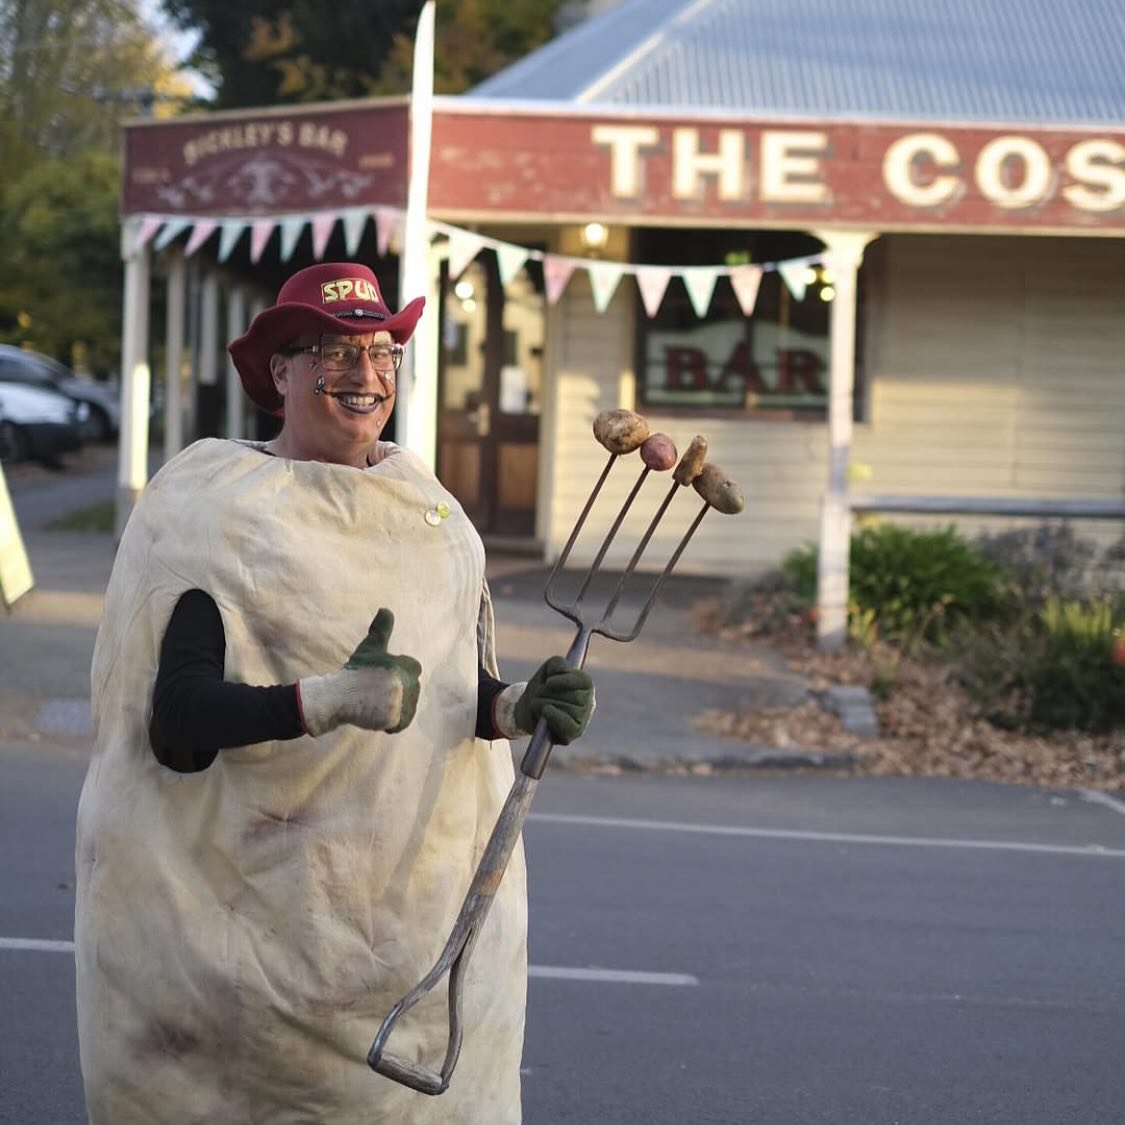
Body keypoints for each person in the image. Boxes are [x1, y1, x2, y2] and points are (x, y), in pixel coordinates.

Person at [74, 262, 595, 1124]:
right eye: (333, 351)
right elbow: (176, 726)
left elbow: (443, 691)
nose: (366, 374)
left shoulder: (426, 510)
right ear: (280, 372)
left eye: (383, 351)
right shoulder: (211, 509)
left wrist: (512, 708)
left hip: (409, 956)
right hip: (247, 961)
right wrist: (327, 699)